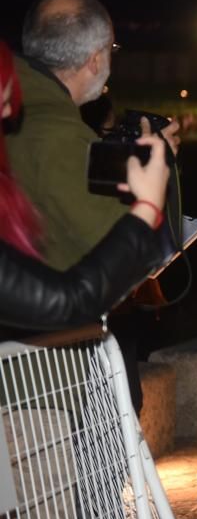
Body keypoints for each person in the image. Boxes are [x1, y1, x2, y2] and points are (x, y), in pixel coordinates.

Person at [5, 0, 181, 413]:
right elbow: (124, 262)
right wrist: (161, 178)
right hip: (43, 388)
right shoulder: (65, 140)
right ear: (96, 59)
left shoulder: (31, 123)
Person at [0, 40, 170, 331]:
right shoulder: (61, 137)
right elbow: (66, 302)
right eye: (3, 103)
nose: (7, 115)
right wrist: (147, 207)